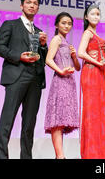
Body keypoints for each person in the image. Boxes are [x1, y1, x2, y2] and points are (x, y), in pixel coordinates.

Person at [0, 0, 48, 159]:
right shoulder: (10, 24)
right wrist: (18, 56)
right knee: (7, 121)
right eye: (29, 2)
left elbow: (42, 59)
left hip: (35, 79)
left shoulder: (39, 32)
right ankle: (2, 156)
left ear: (38, 8)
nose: (32, 5)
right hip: (16, 75)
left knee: (29, 125)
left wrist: (43, 46)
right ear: (22, 5)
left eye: (35, 3)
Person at [44, 12, 80, 159]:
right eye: (64, 23)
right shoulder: (56, 39)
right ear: (57, 25)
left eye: (69, 23)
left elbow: (78, 68)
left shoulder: (66, 42)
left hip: (69, 82)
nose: (67, 26)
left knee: (63, 119)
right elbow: (48, 59)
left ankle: (60, 155)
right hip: (60, 81)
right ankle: (60, 156)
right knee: (57, 121)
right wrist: (61, 71)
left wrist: (74, 56)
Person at [77, 5, 105, 159]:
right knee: (92, 113)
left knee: (100, 112)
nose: (96, 17)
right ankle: (91, 154)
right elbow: (80, 52)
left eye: (98, 14)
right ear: (86, 17)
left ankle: (100, 153)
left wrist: (104, 61)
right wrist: (98, 62)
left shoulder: (96, 34)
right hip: (91, 73)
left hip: (99, 73)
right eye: (93, 14)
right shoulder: (87, 33)